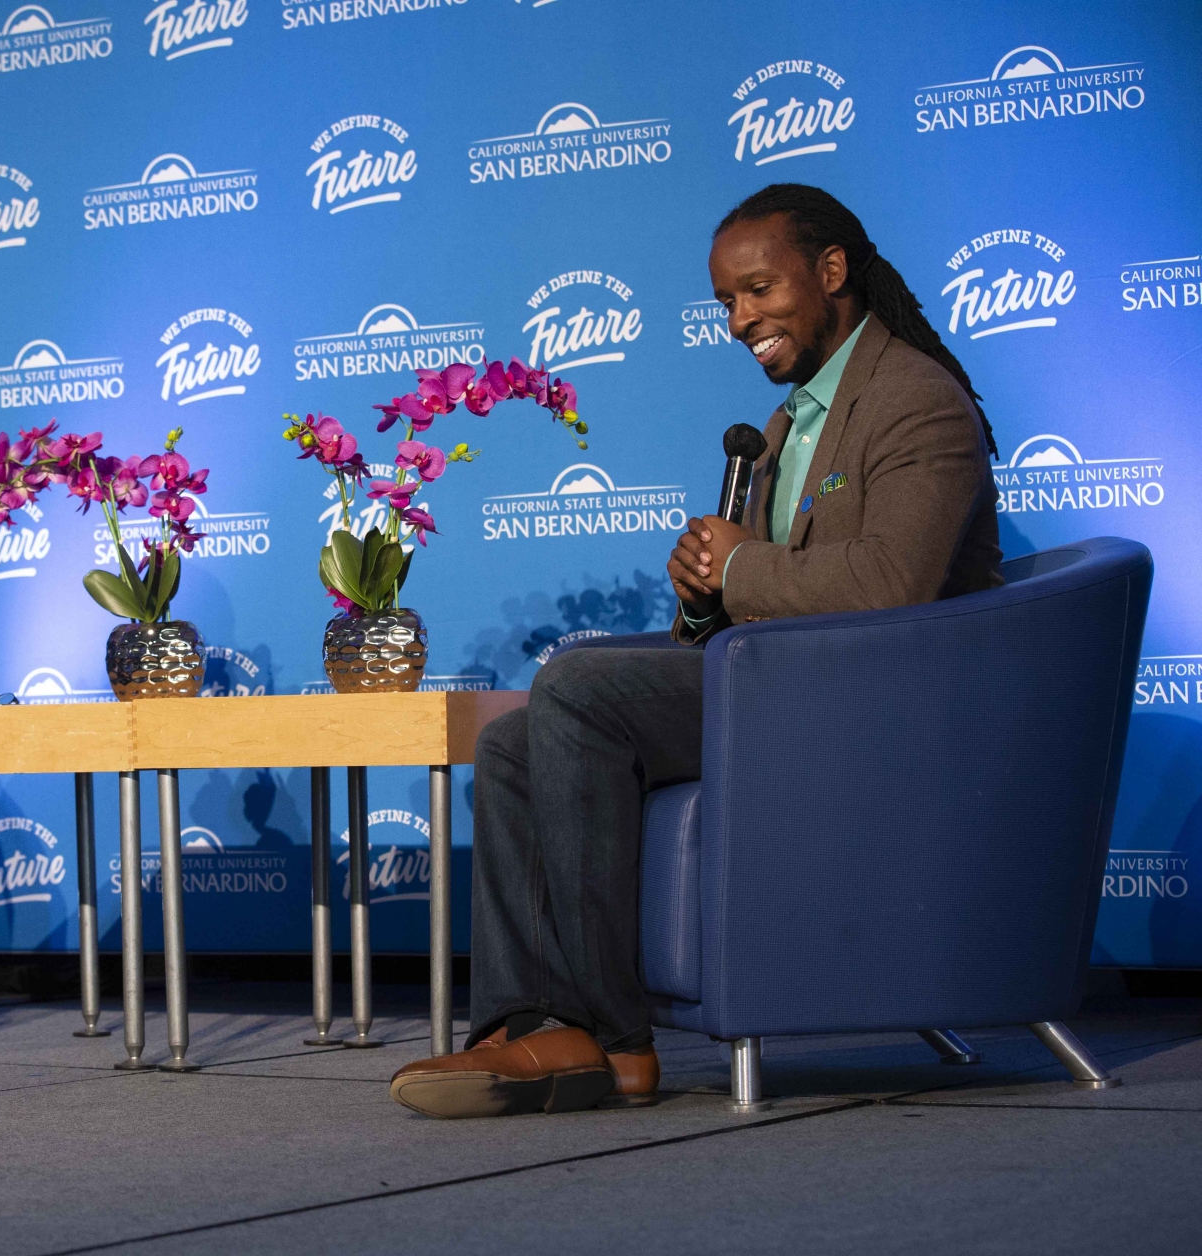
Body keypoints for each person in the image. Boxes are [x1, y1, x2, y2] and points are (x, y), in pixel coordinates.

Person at [388, 184, 1002, 1119]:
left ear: (832, 271)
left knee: (580, 688)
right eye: (725, 302)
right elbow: (758, 599)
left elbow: (894, 582)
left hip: (869, 705)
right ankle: (535, 1024)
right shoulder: (788, 424)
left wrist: (743, 565)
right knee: (514, 738)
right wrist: (701, 595)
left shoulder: (917, 400)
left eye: (757, 289)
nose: (740, 318)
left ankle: (602, 1031)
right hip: (777, 686)